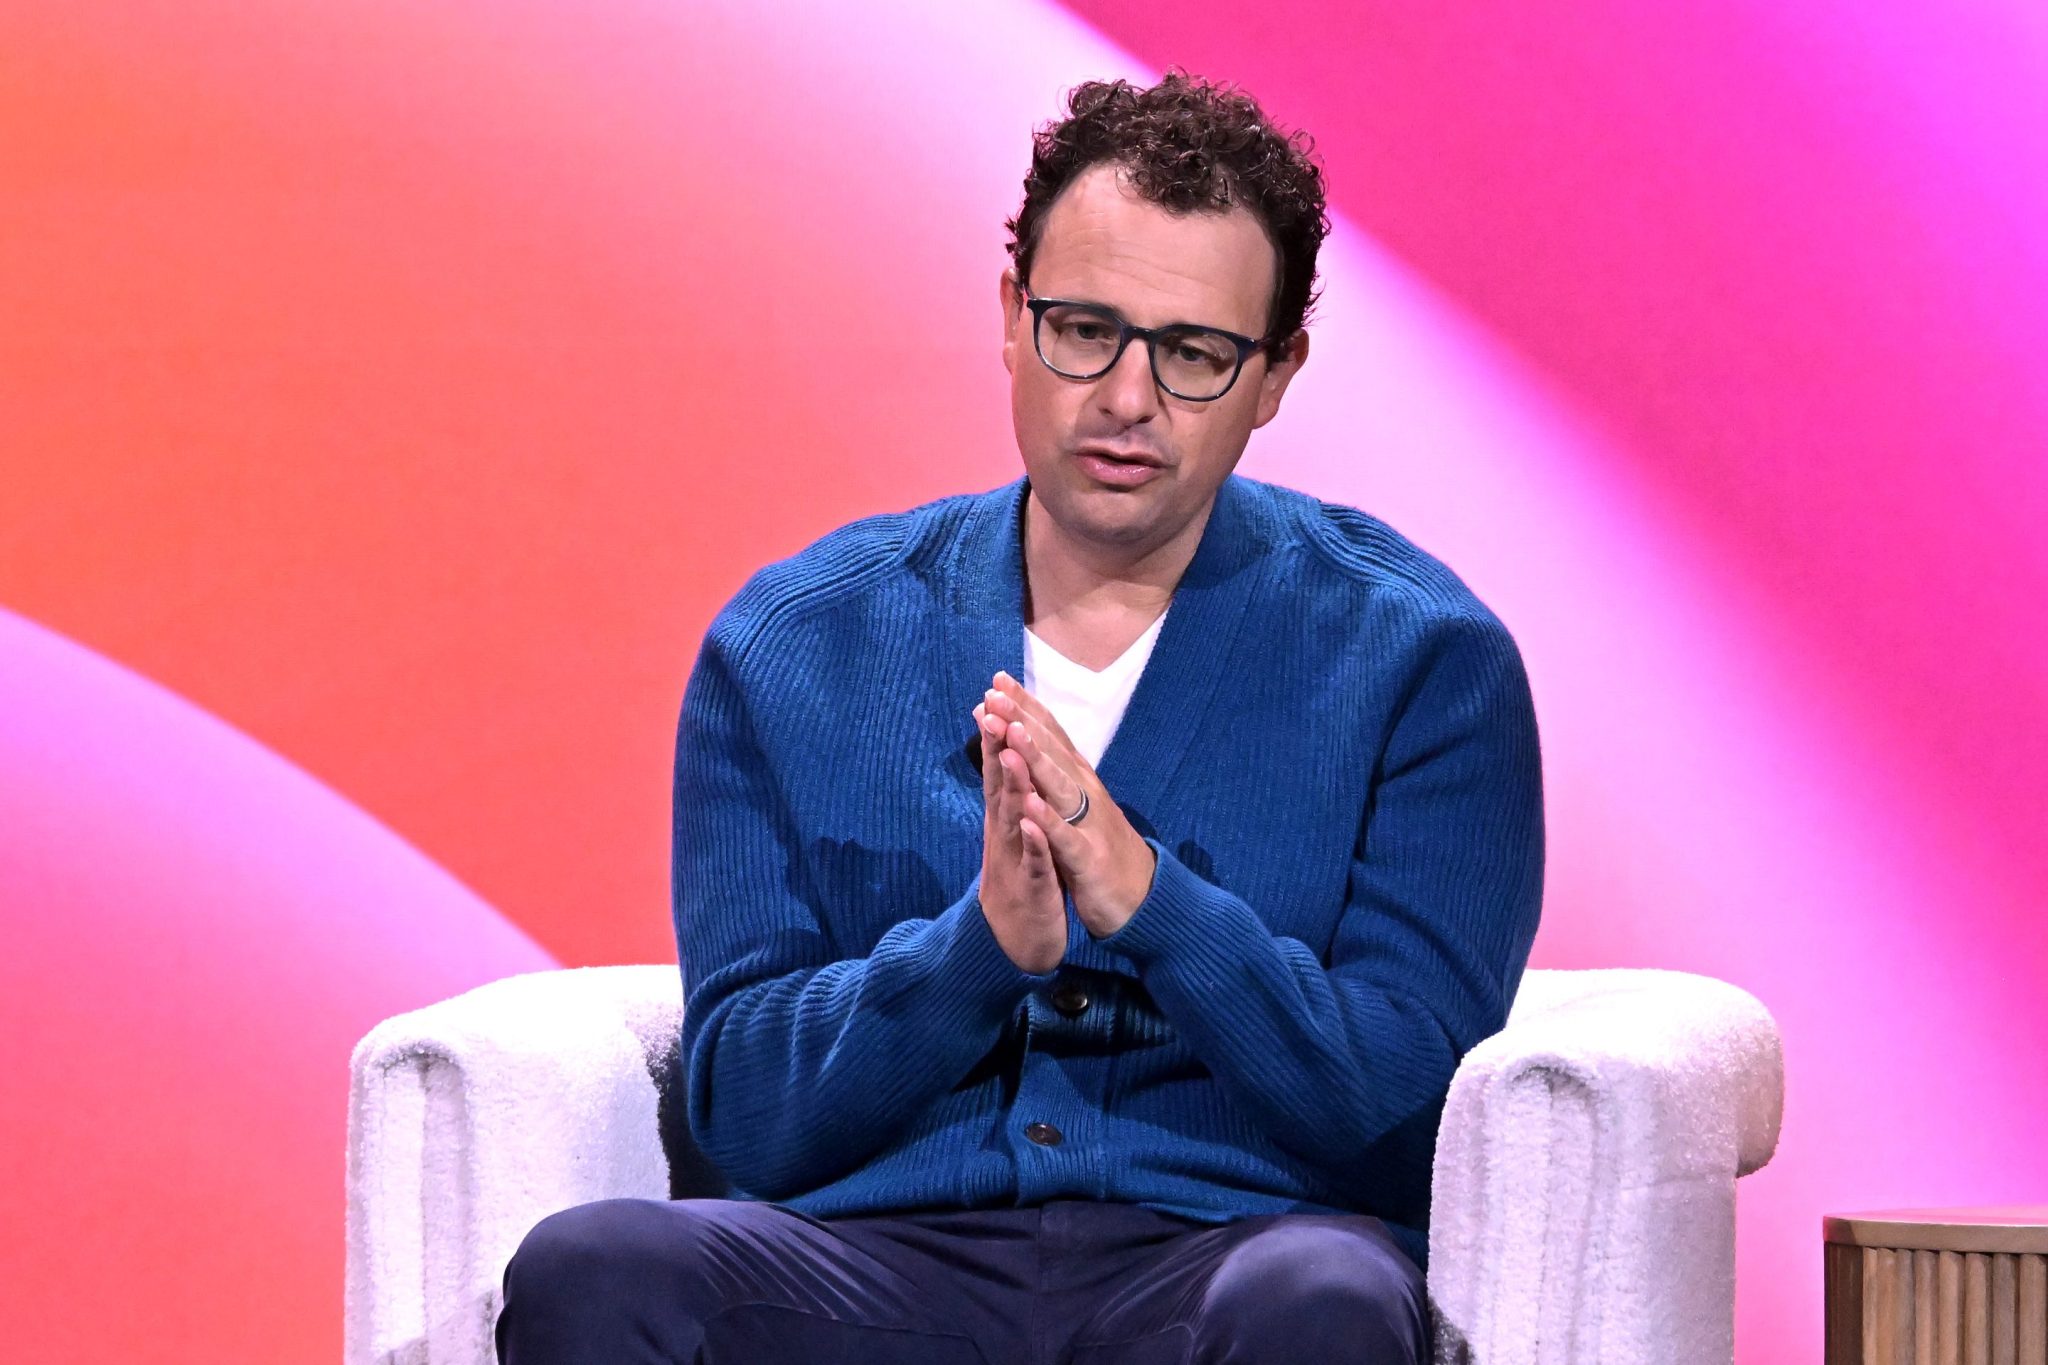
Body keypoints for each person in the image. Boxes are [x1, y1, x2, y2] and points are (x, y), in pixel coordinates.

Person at [495, 70, 1543, 1365]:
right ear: (1011, 316)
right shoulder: (792, 644)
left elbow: (1399, 1112)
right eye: (1084, 328)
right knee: (595, 1268)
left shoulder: (1423, 662)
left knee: (1321, 1299)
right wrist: (980, 948)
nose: (1124, 396)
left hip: (1233, 1255)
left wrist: (1152, 902)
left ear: (1274, 376)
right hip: (880, 1264)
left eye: (1194, 352)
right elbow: (748, 1114)